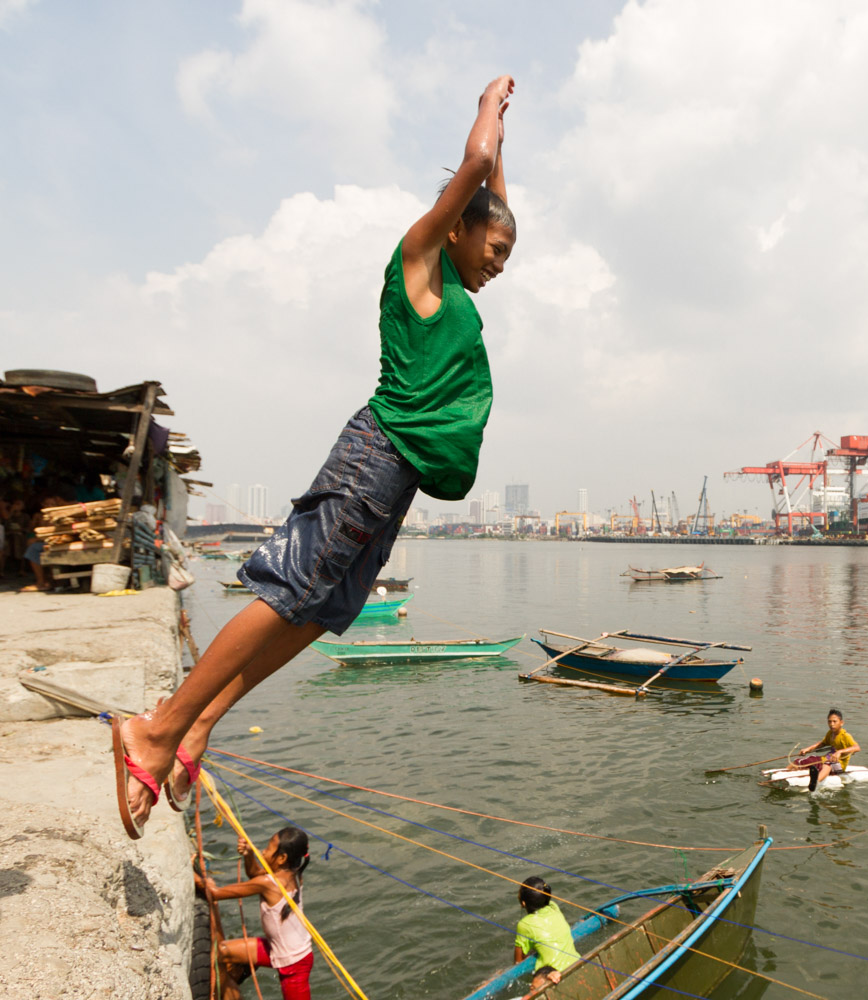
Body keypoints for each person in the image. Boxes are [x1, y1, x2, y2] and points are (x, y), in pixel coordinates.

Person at [111, 73, 518, 838]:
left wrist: (502, 160)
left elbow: (492, 191)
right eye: (494, 247)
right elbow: (474, 175)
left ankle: (200, 726)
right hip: (374, 456)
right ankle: (157, 729)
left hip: (396, 480)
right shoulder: (420, 262)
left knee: (324, 609)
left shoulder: (461, 282)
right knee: (287, 587)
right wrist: (488, 114)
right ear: (458, 229)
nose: (500, 262)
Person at [195, 826, 314, 1000]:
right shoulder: (291, 873)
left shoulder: (269, 883)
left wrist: (195, 874)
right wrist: (248, 854)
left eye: (267, 849)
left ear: (282, 858)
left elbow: (214, 893)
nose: (262, 852)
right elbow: (254, 874)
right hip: (277, 948)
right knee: (220, 952)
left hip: (294, 963)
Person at [514, 875, 579, 991]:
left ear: (523, 904)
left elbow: (518, 962)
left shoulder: (524, 925)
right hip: (576, 965)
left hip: (551, 976)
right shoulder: (554, 907)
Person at [796, 707, 861, 792]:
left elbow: (857, 748)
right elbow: (822, 743)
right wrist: (807, 749)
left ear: (841, 723)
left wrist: (840, 752)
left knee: (828, 764)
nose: (832, 724)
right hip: (826, 758)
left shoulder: (845, 736)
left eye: (834, 721)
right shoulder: (830, 733)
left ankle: (815, 782)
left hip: (839, 764)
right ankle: (783, 773)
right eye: (829, 721)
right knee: (803, 760)